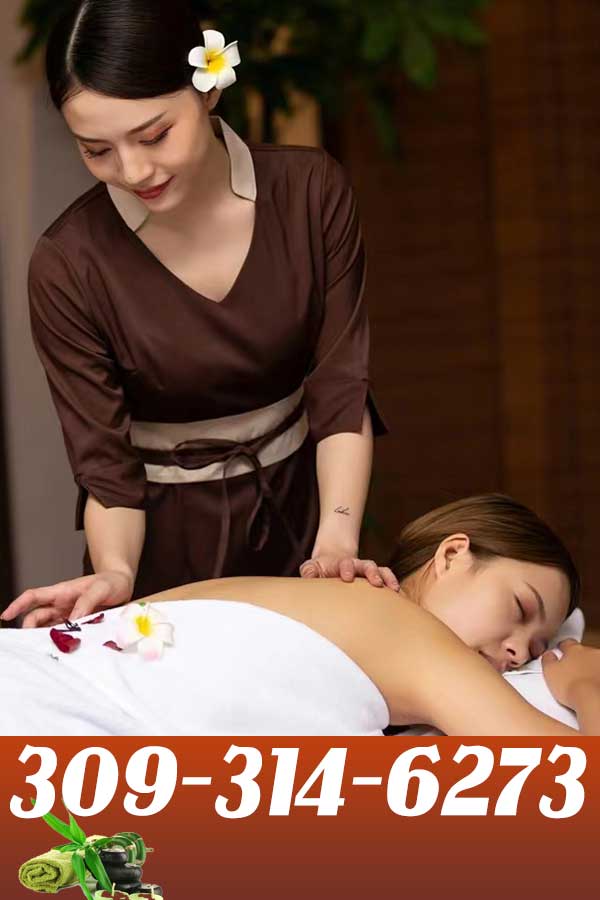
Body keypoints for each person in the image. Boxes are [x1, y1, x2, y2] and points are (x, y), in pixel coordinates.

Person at [10, 0, 391, 626]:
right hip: (159, 548)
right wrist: (115, 573)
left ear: (208, 87)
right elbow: (106, 466)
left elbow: (341, 388)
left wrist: (336, 543)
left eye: (153, 135)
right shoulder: (68, 264)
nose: (133, 171)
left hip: (306, 521)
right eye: (96, 150)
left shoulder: (310, 192)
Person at [2, 494, 598, 735]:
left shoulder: (311, 604)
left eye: (536, 645)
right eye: (520, 608)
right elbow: (570, 786)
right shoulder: (401, 628)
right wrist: (585, 682)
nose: (519, 650)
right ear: (452, 555)